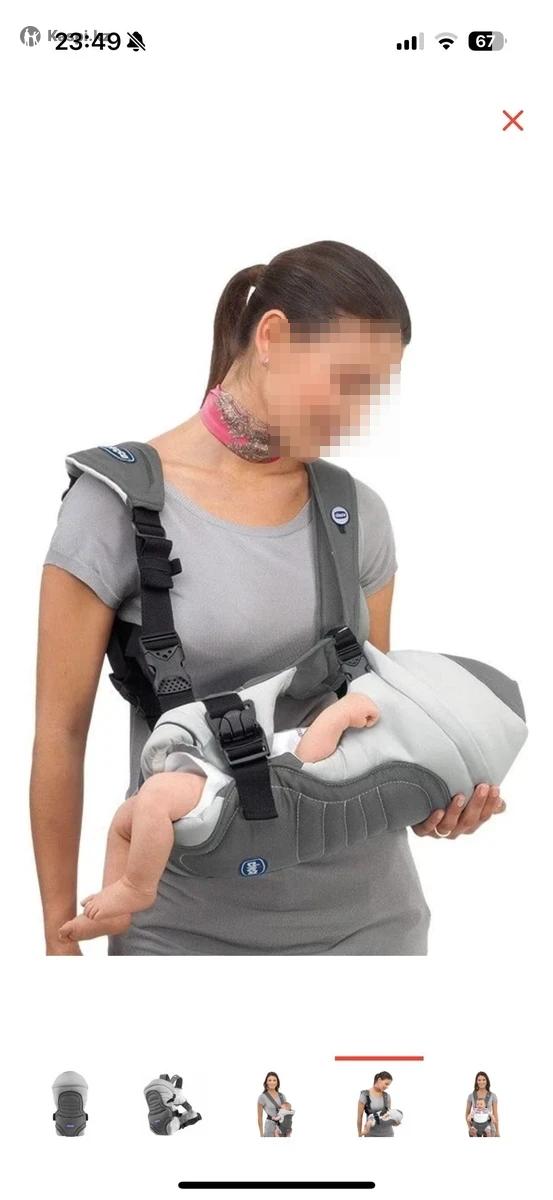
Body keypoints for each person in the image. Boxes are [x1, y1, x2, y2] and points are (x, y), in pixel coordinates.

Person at [31, 238, 506, 957]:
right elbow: (60, 737)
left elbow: (375, 721)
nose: (357, 415)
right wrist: (56, 936)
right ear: (274, 338)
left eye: (374, 391)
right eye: (346, 381)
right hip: (181, 931)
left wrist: (432, 801)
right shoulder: (114, 507)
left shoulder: (355, 514)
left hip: (372, 928)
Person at [58, 691, 379, 942]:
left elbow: (307, 769)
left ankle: (137, 887)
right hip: (224, 771)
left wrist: (340, 714)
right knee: (126, 820)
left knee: (154, 798)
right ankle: (117, 912)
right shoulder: (333, 742)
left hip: (228, 790)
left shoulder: (333, 756)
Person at [357, 1072, 403, 1137]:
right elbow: (359, 1117)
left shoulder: (387, 1096)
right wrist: (359, 1134)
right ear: (379, 1080)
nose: (387, 1087)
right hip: (371, 1135)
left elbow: (388, 1116)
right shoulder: (365, 1095)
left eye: (388, 1085)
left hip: (388, 1135)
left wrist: (395, 1123)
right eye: (386, 1084)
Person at [465, 1072, 500, 1137]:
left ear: (487, 1081)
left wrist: (497, 1131)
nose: (481, 1082)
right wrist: (469, 1127)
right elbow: (467, 1113)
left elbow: (495, 1114)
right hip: (475, 1128)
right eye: (479, 1080)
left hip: (489, 1128)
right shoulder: (471, 1096)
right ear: (476, 1081)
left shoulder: (493, 1096)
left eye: (484, 1080)